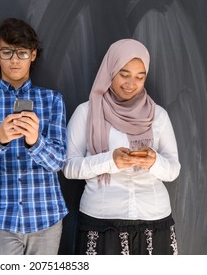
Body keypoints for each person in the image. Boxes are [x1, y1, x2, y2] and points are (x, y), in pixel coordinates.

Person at [63, 39, 181, 255]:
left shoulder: (159, 115)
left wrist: (154, 161)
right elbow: (69, 167)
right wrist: (110, 161)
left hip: (155, 220)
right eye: (124, 74)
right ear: (110, 71)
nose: (131, 83)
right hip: (102, 221)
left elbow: (173, 170)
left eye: (140, 76)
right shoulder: (86, 112)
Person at [0, 18, 68, 255]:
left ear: (32, 55)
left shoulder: (52, 100)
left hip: (45, 215)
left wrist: (35, 141)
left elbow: (59, 162)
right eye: (7, 52)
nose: (14, 60)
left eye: (21, 53)